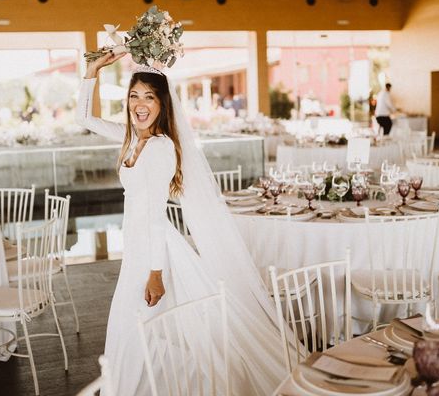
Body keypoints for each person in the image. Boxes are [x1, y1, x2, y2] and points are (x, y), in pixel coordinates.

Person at [76, 53, 286, 395]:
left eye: (149, 97)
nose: (140, 104)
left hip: (152, 252)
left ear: (162, 103)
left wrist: (156, 272)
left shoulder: (160, 148)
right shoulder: (131, 138)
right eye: (134, 95)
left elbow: (156, 215)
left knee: (142, 326)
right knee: (147, 328)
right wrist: (92, 72)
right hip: (136, 247)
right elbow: (83, 117)